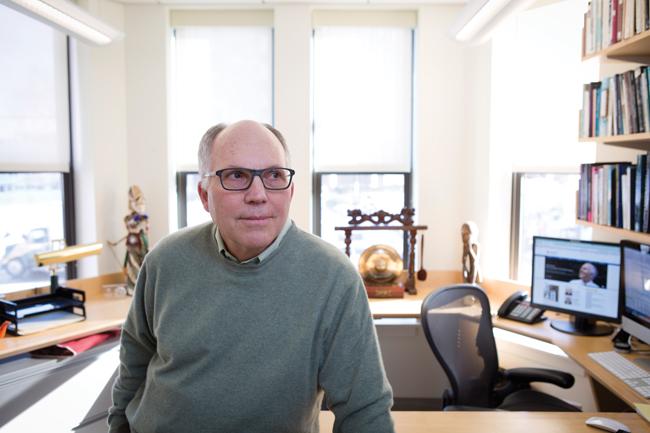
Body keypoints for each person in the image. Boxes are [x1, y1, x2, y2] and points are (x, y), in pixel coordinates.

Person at [108, 120, 395, 433]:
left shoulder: (334, 279)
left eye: (274, 175)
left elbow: (365, 413)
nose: (258, 194)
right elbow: (133, 368)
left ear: (290, 191)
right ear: (204, 195)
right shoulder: (164, 261)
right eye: (236, 175)